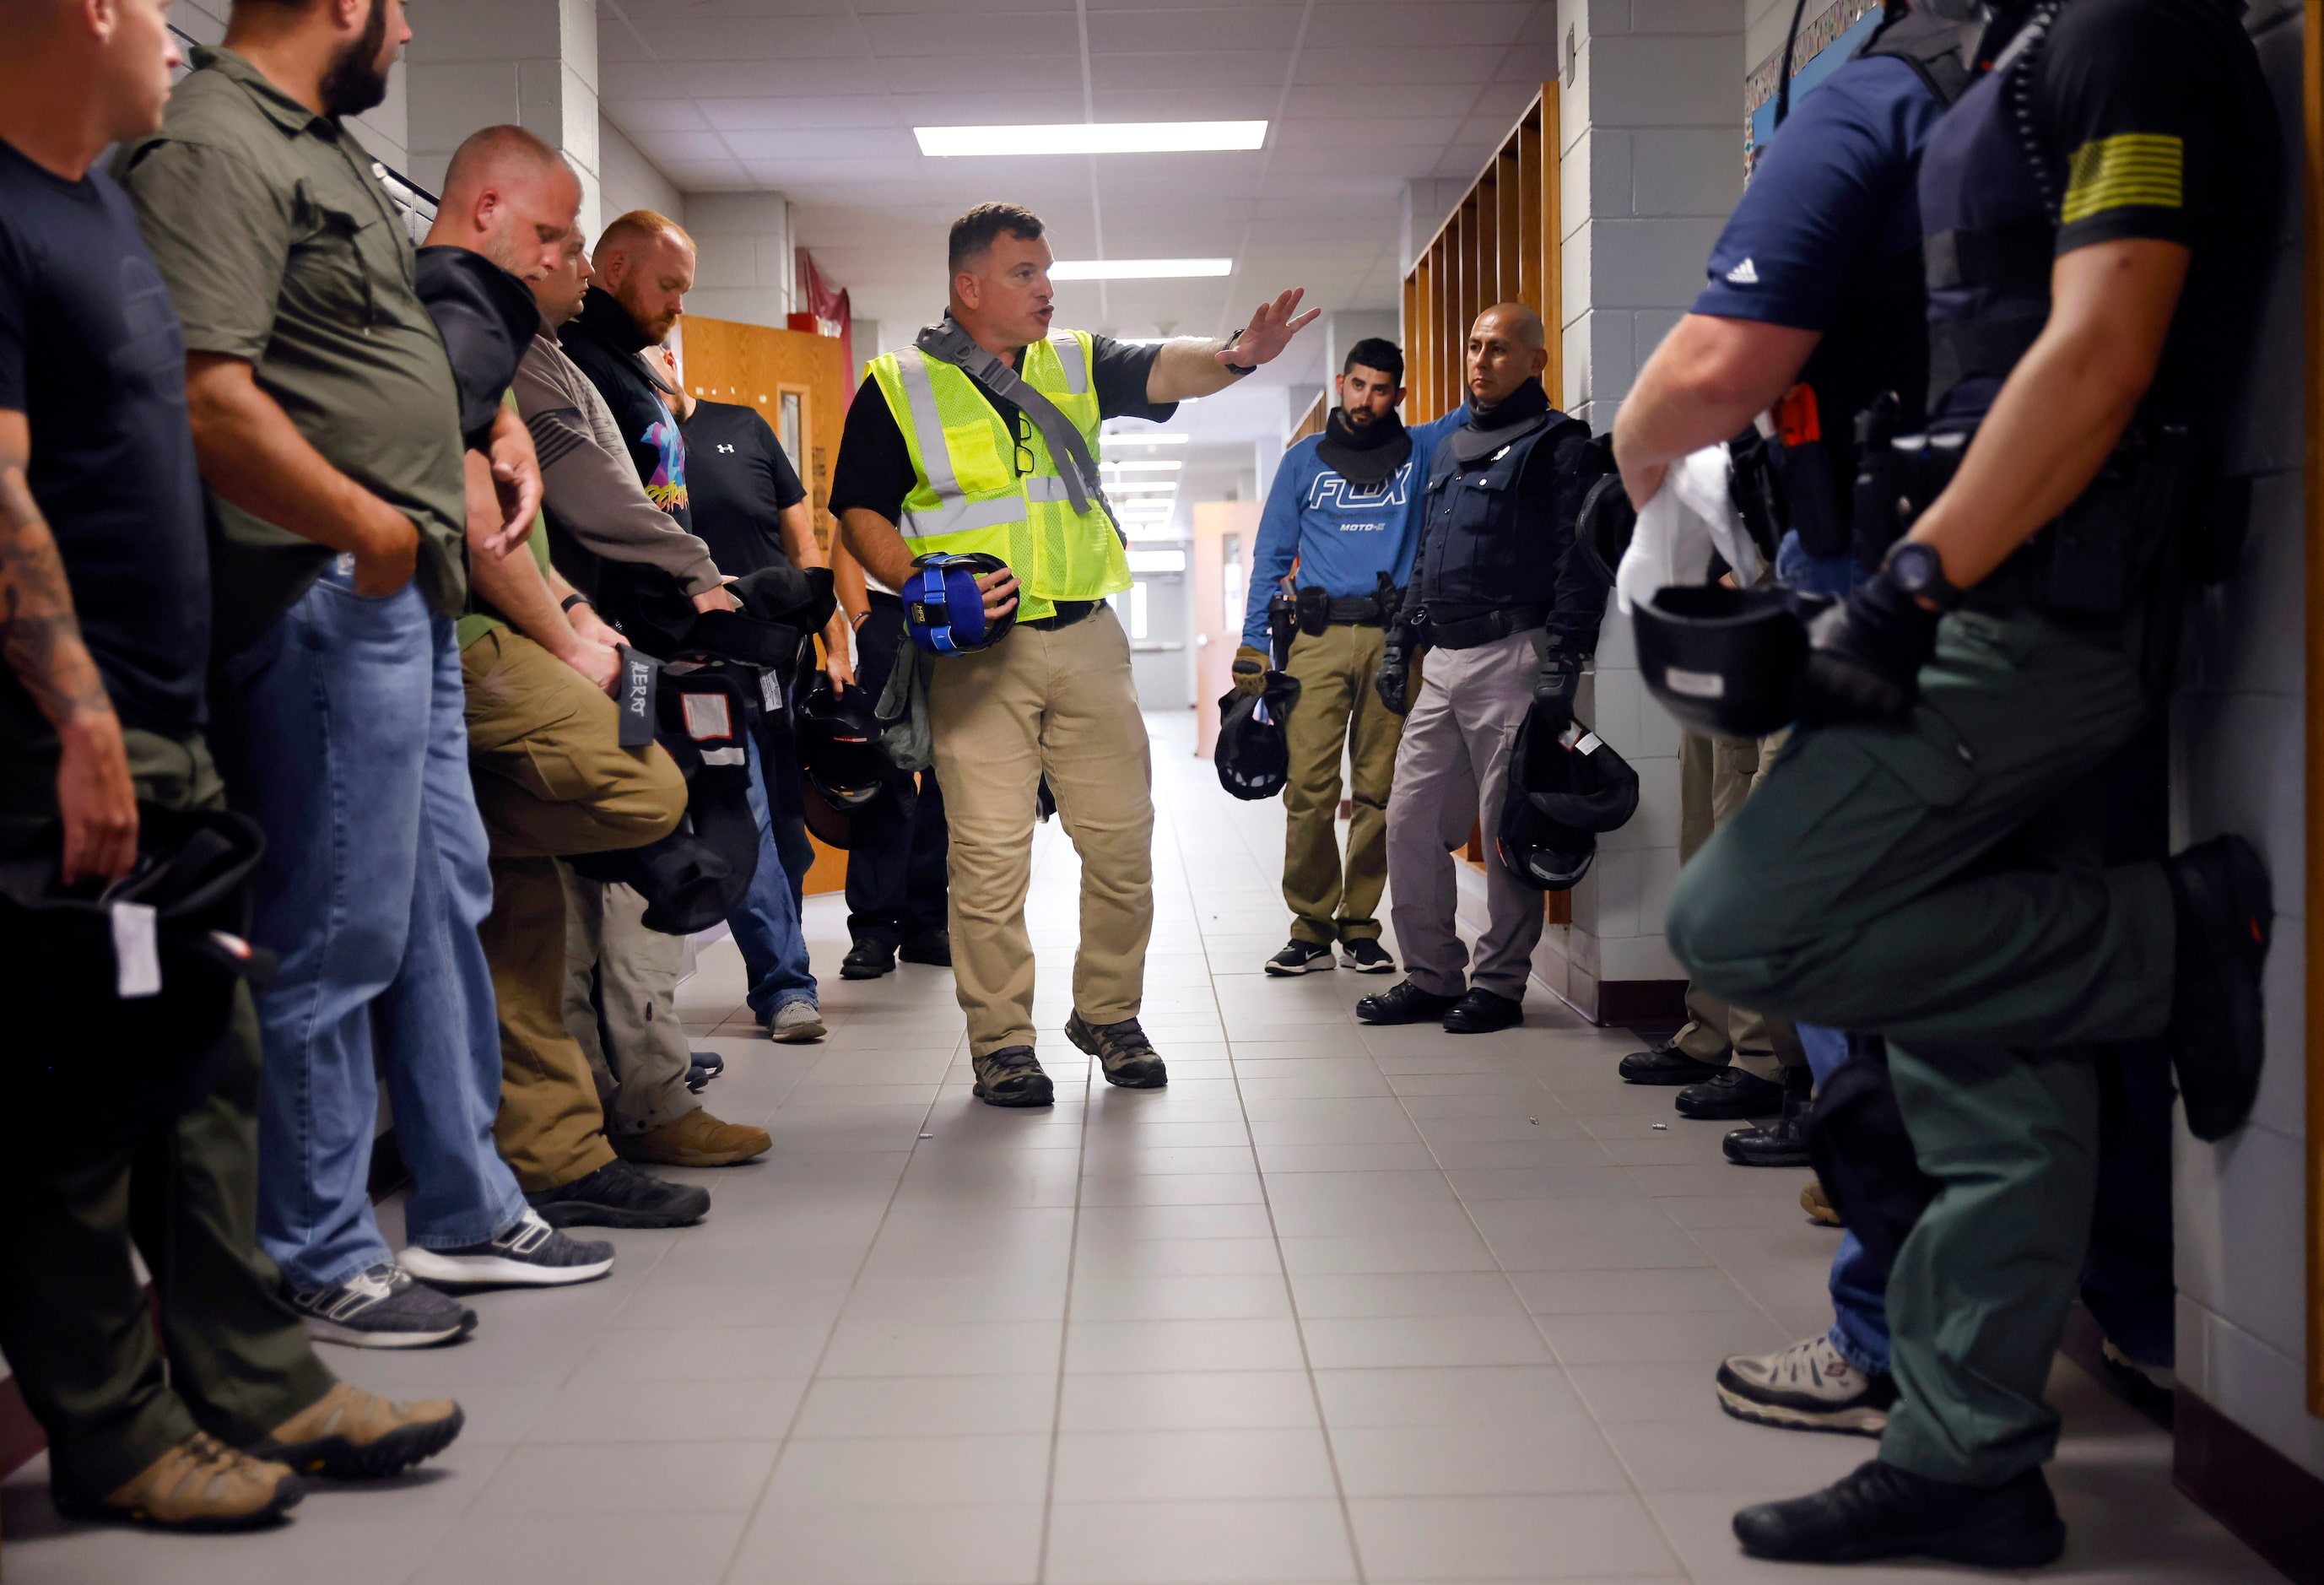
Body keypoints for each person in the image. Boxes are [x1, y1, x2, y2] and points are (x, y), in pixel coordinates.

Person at [1662, 0, 2278, 1560]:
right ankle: (1967, 1456)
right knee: (1982, 1068)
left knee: (1740, 921)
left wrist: (1909, 586)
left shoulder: (2128, 34)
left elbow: (2103, 341)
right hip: (1971, 586)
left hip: (2021, 611)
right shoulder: (2016, 47)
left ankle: (2164, 938)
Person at [0, 0, 460, 1528]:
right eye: (144, 8)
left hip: (169, 708)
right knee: (77, 1094)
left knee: (210, 1056)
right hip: (69, 726)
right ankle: (119, 1434)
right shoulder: (7, 216)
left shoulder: (95, 207)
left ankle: (260, 1378)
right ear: (79, 15)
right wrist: (73, 716)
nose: (169, 40)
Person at [115, 0, 576, 1346]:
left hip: (406, 592)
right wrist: (369, 522)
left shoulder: (320, 147)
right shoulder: (214, 143)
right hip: (328, 584)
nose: (411, 32)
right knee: (338, 924)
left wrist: (492, 426)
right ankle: (314, 1248)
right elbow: (207, 392)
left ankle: (464, 1202)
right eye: (394, 6)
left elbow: (367, 347)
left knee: (439, 903)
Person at [834, 202, 1317, 1105]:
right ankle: (1001, 1043)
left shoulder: (1075, 362)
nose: (1047, 289)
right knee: (987, 859)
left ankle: (1106, 1011)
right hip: (981, 655)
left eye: (1048, 271)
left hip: (1089, 638)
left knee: (1124, 845)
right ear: (968, 286)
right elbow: (857, 505)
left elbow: (1165, 370)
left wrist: (1237, 355)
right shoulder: (897, 383)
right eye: (1025, 274)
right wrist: (921, 578)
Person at [419, 126, 726, 1218]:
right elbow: (470, 513)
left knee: (523, 917)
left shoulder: (517, 345)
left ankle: (555, 1154)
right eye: (554, 236)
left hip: (533, 621)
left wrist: (577, 607)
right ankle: (459, 827)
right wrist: (564, 632)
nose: (573, 261)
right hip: (461, 639)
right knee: (647, 787)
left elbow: (526, 529)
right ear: (490, 215)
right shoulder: (457, 313)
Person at [511, 223, 775, 1181]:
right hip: (598, 654)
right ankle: (637, 1105)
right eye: (666, 284)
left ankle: (626, 1100)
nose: (676, 305)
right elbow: (593, 502)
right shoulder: (546, 362)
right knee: (631, 879)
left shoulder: (604, 365)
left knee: (610, 886)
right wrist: (703, 575)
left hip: (632, 645)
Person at [1357, 304, 1610, 1036]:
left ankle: (1499, 984)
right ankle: (1432, 976)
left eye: (1499, 349)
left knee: (1505, 829)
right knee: (1407, 818)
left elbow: (1578, 559)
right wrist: (1404, 640)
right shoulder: (1451, 446)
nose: (1480, 360)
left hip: (1513, 654)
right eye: (1473, 346)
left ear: (1536, 361)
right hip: (1445, 657)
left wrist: (1564, 658)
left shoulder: (1560, 445)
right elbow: (1427, 556)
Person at [651, 343, 846, 1035]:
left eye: (654, 359)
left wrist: (831, 633)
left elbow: (805, 544)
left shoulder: (743, 428)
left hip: (779, 655)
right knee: (750, 810)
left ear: (674, 359)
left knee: (790, 833)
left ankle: (780, 962)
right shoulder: (628, 439)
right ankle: (786, 985)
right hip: (695, 662)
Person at [1235, 337, 1419, 978]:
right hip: (1313, 641)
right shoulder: (1302, 461)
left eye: (1381, 388)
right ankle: (1310, 925)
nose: (1367, 400)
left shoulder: (1418, 454)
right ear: (1341, 383)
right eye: (1358, 385)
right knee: (1309, 788)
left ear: (1399, 393)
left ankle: (1360, 925)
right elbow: (1269, 555)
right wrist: (1253, 643)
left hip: (1391, 642)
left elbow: (1485, 415)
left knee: (1379, 791)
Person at [836, 533, 954, 981]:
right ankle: (874, 929)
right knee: (884, 777)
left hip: (955, 608)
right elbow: (847, 542)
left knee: (943, 774)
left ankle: (926, 923)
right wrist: (863, 621)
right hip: (886, 610)